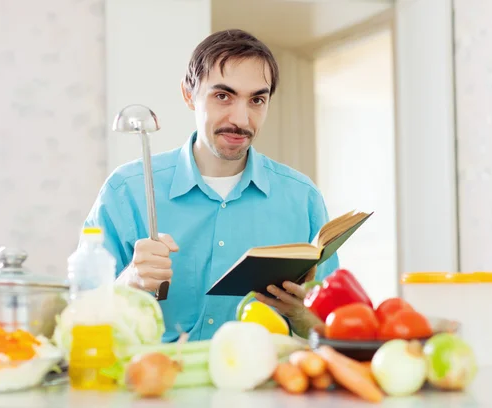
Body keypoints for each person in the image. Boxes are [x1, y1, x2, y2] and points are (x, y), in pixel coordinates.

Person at [83, 29, 339, 342]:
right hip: (154, 384)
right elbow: (82, 317)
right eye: (223, 96)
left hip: (266, 387)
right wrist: (130, 281)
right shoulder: (126, 191)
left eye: (257, 100)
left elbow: (333, 328)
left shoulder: (302, 199)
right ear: (188, 94)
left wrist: (300, 314)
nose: (241, 120)